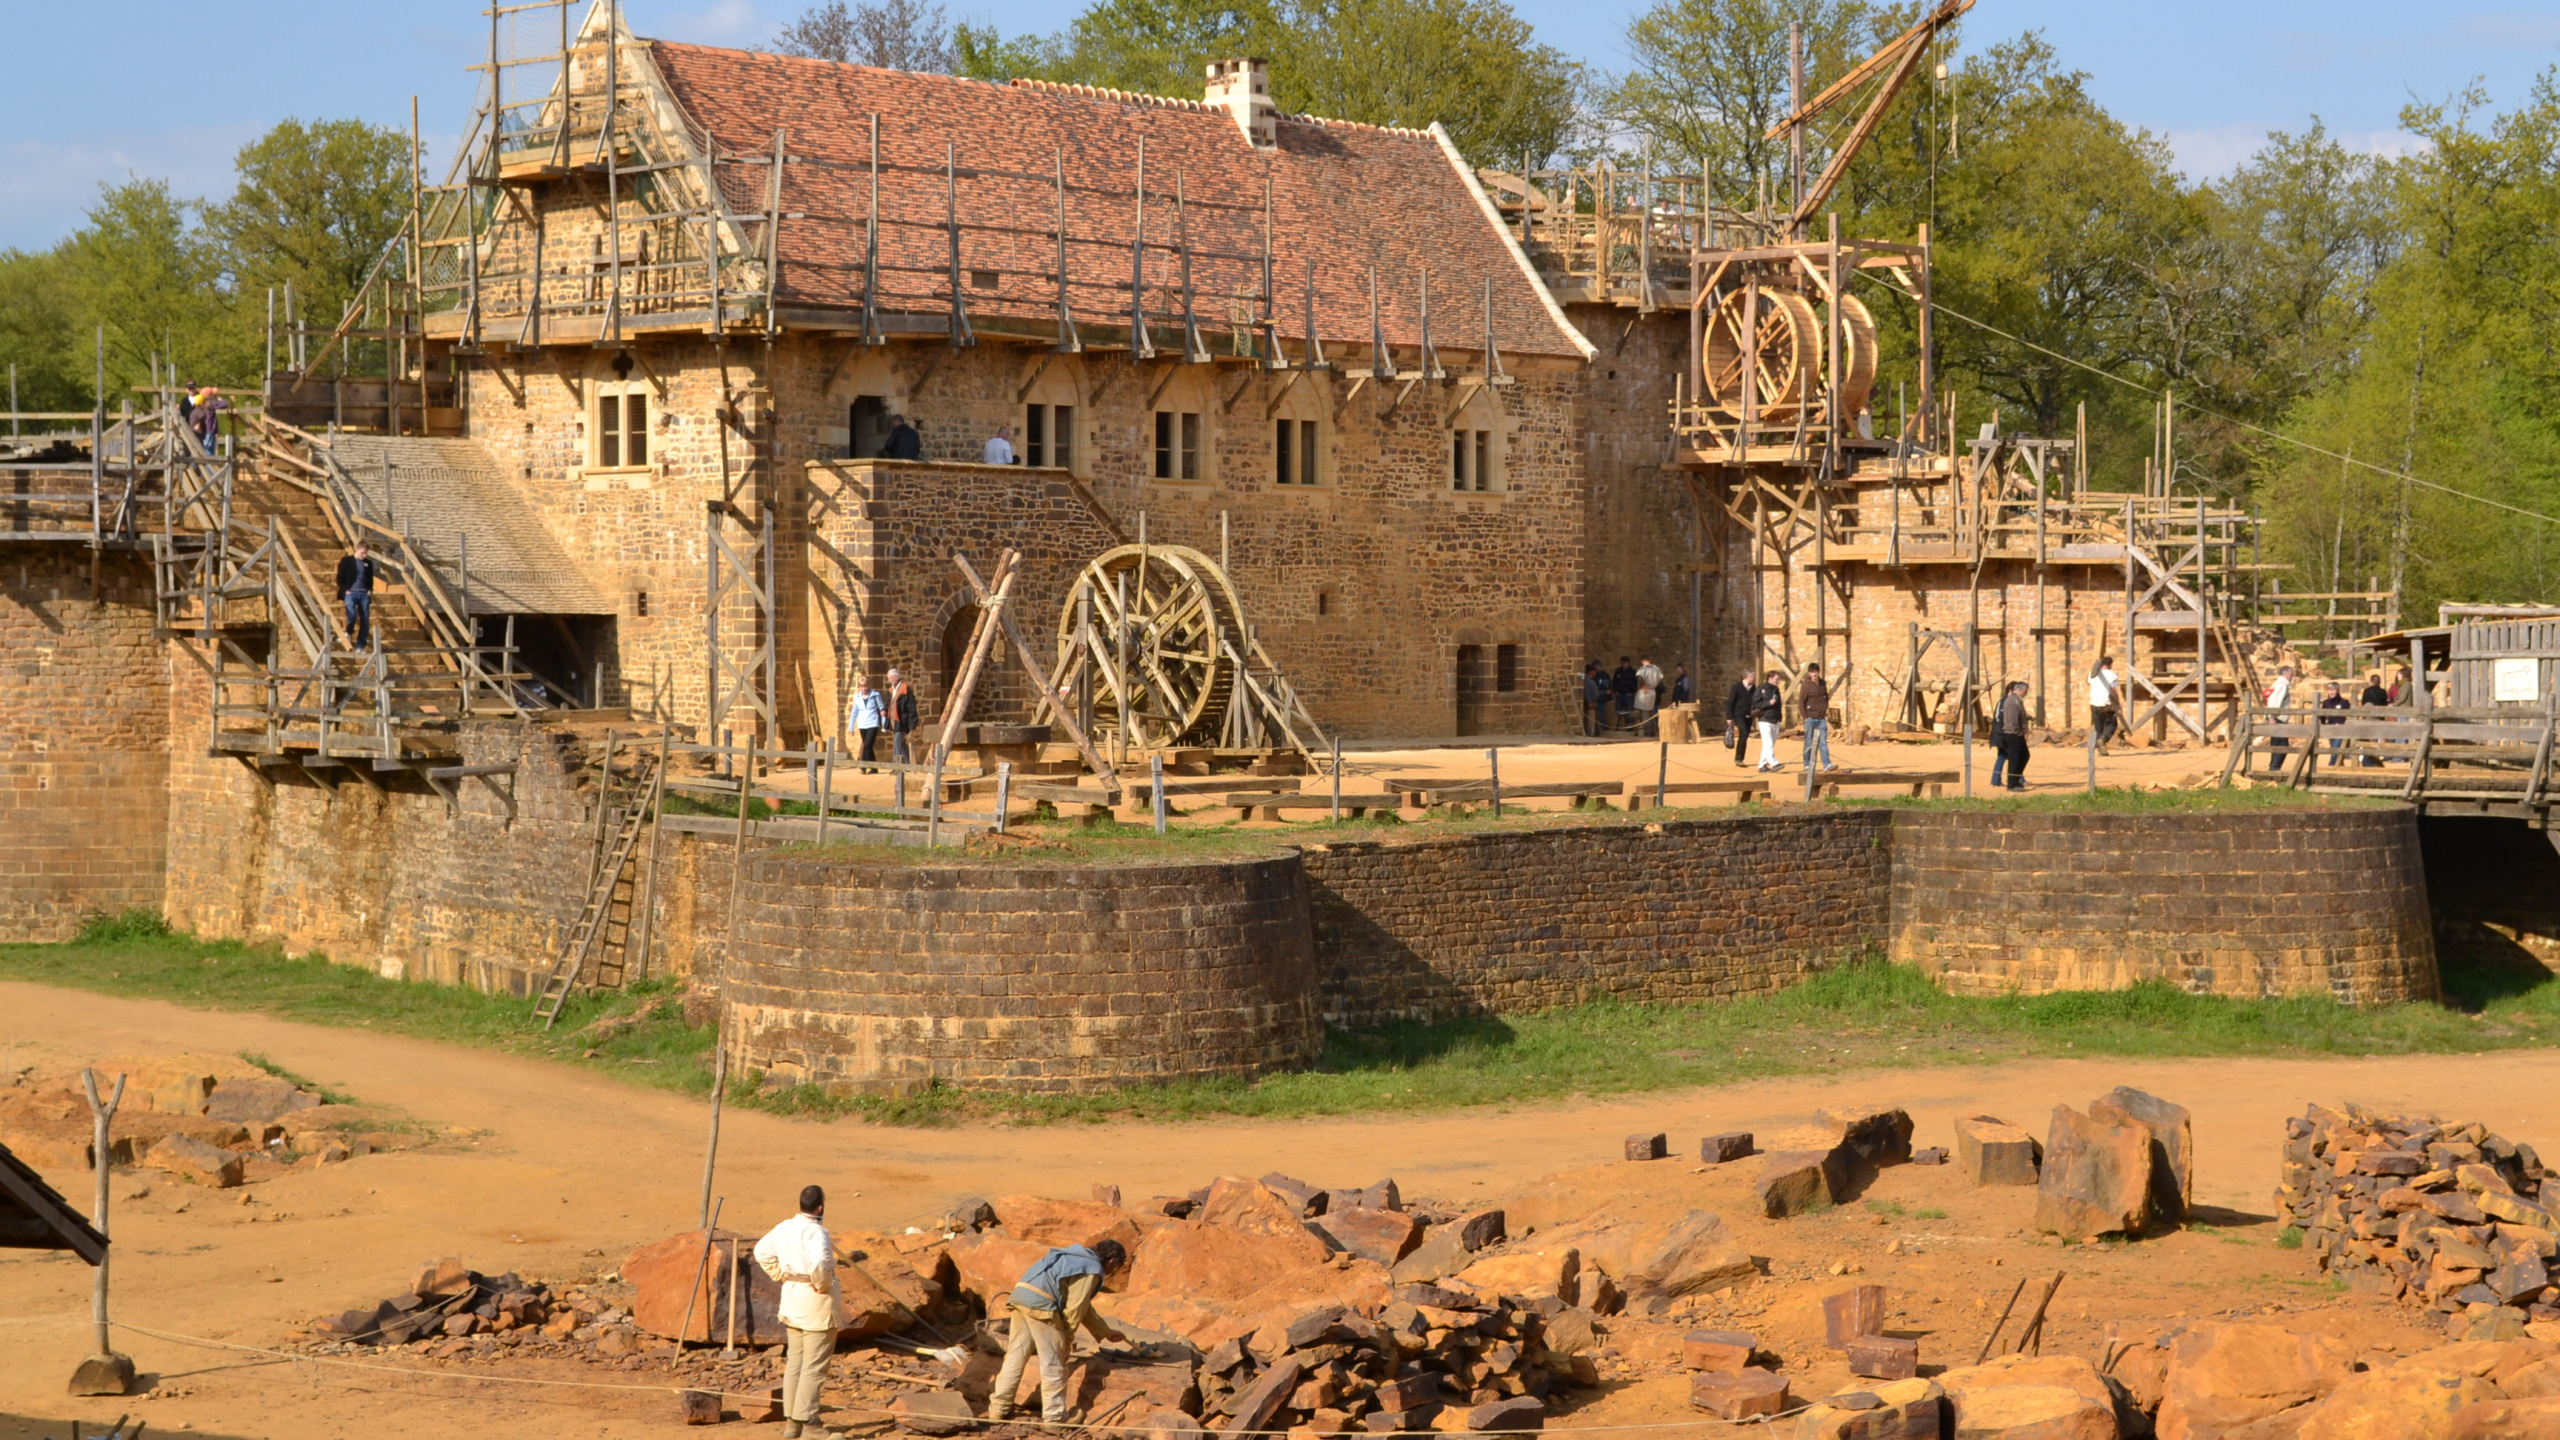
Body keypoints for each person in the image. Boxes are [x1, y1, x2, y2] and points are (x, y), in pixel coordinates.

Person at [987, 1239, 1132, 1425]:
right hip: (1042, 1305)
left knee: (1015, 1356)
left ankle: (998, 1410)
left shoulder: (1073, 1256)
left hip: (1021, 1297)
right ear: (1112, 1262)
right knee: (1053, 1363)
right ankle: (1054, 1418)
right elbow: (1075, 1308)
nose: (1112, 1272)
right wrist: (1066, 1340)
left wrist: (1104, 1331)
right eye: (1115, 1268)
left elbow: (1083, 1305)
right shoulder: (1092, 1268)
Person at [752, 1185, 845, 1440]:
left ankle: (792, 1424)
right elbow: (820, 1263)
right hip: (815, 1304)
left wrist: (779, 1274)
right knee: (813, 1367)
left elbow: (761, 1251)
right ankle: (811, 1425)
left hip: (793, 1298)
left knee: (796, 1363)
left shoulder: (784, 1227)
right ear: (821, 1207)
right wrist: (822, 1283)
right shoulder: (816, 1232)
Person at [335, 540, 376, 650]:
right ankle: (348, 632)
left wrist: (369, 590)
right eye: (362, 553)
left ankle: (360, 645)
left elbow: (370, 579)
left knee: (365, 620)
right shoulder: (346, 561)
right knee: (352, 615)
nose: (364, 555)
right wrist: (345, 590)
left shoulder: (368, 563)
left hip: (364, 594)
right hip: (351, 593)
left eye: (366, 553)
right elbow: (339, 578)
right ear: (356, 549)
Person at [1990, 680, 2030, 791]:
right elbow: (2012, 720)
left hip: (2016, 734)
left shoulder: (2017, 700)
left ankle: (2016, 780)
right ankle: (2012, 784)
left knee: (2024, 756)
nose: (2025, 694)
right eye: (2025, 691)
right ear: (2020, 690)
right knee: (2014, 759)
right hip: (2012, 734)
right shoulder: (2012, 701)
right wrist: (2017, 732)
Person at [1797, 662, 1835, 773]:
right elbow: (1801, 702)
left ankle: (1827, 764)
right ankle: (1807, 764)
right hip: (1810, 718)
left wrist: (1824, 710)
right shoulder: (1806, 685)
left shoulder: (1822, 683)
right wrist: (1805, 717)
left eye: (1816, 672)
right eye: (1812, 672)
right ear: (1809, 673)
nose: (1814, 674)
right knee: (1809, 742)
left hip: (1821, 718)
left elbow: (1825, 697)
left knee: (1823, 741)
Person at [849, 676, 886, 770]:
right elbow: (854, 712)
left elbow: (882, 709)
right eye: (862, 686)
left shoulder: (875, 695)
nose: (864, 688)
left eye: (865, 686)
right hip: (862, 725)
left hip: (873, 723)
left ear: (868, 686)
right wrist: (851, 727)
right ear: (859, 687)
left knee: (867, 745)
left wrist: (884, 723)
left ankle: (863, 766)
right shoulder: (857, 697)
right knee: (868, 746)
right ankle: (874, 768)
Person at [1750, 670, 1784, 772]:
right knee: (1768, 742)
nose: (1778, 681)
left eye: (1779, 679)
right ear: (1770, 678)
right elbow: (1755, 703)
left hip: (1775, 719)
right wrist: (1769, 703)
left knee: (1770, 743)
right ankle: (1774, 763)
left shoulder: (1776, 689)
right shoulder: (1761, 689)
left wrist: (1779, 716)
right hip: (1764, 719)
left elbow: (1778, 704)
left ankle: (1762, 765)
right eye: (1776, 679)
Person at [2264, 665, 2296, 770]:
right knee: (2282, 746)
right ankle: (2274, 768)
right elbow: (2274, 701)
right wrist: (2272, 716)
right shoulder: (2282, 685)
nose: (2292, 677)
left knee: (2277, 745)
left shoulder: (2278, 684)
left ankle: (2273, 769)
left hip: (2276, 718)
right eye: (2291, 674)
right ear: (2285, 674)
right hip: (2278, 719)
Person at [2087, 656, 2122, 752]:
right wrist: (2118, 705)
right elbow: (2114, 690)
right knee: (2112, 725)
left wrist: (2092, 667)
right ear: (2110, 664)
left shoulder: (2092, 674)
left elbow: (2088, 682)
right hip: (2107, 704)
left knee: (2099, 728)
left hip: (2094, 703)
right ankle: (2103, 740)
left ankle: (2101, 750)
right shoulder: (2112, 675)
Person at [2357, 672, 2390, 765]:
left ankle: (2367, 760)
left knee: (2366, 739)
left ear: (2371, 681)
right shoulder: (2383, 692)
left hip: (2367, 718)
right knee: (2375, 741)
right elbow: (2384, 705)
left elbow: (2363, 704)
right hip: (2378, 718)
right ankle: (2371, 760)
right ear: (2379, 682)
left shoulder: (2366, 691)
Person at [888, 668, 919, 764]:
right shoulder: (892, 690)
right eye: (889, 678)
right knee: (901, 744)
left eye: (892, 678)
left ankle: (896, 766)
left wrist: (912, 725)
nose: (890, 680)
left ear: (897, 677)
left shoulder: (905, 689)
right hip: (894, 721)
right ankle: (906, 764)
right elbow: (889, 704)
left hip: (902, 721)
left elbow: (911, 708)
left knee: (897, 742)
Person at [1725, 669, 1755, 765]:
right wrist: (1729, 717)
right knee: (1744, 732)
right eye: (1753, 676)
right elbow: (1730, 702)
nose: (1754, 678)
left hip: (1749, 715)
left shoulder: (1753, 688)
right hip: (1738, 714)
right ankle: (1738, 759)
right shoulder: (1736, 687)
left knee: (1745, 736)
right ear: (1748, 677)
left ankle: (1740, 758)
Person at [2318, 681, 2351, 766]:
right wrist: (2324, 724)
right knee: (2334, 749)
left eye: (2333, 690)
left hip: (2340, 730)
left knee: (2334, 750)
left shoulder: (2344, 702)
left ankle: (2331, 765)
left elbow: (2350, 714)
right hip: (2331, 729)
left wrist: (2343, 724)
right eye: (2330, 690)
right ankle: (2340, 766)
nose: (2332, 692)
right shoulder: (2326, 702)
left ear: (2337, 690)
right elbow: (2322, 715)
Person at [1634, 656, 1663, 736]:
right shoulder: (1657, 669)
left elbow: (1639, 678)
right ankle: (1652, 731)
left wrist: (1643, 686)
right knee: (1651, 712)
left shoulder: (1643, 669)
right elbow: (1660, 679)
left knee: (1645, 713)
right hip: (1653, 691)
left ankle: (1647, 732)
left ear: (1642, 661)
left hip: (1645, 691)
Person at [1610, 656, 1638, 731]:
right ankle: (1618, 729)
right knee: (1618, 713)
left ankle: (1629, 730)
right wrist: (1615, 691)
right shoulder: (1618, 671)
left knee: (1629, 713)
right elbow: (1614, 682)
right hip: (1619, 695)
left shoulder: (1632, 672)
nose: (1624, 665)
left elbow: (1635, 683)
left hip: (1628, 695)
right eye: (1622, 663)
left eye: (1625, 663)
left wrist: (1632, 692)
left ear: (1628, 663)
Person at [1582, 662, 1608, 737]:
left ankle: (1592, 733)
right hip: (1590, 703)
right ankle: (1590, 734)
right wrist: (1589, 701)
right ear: (1592, 672)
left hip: (1594, 702)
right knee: (1590, 720)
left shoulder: (1590, 680)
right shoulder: (1586, 680)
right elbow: (1586, 691)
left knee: (1593, 720)